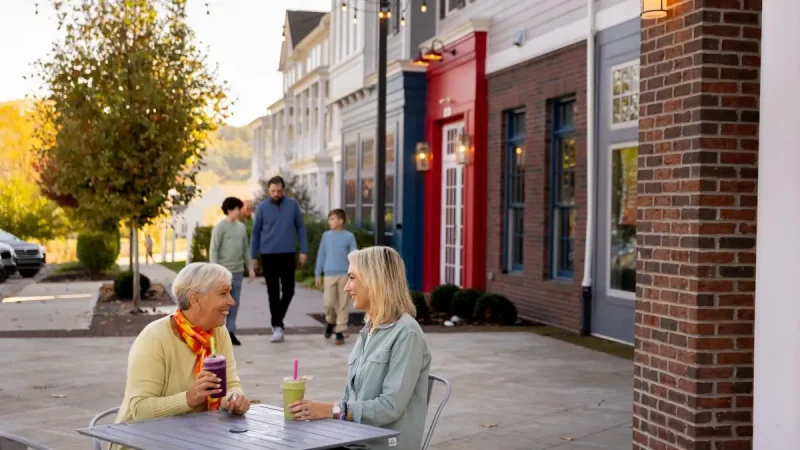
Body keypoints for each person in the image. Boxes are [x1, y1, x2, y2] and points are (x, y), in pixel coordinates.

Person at [289, 246, 432, 450]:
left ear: (375, 281)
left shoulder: (407, 333)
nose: (347, 287)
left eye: (352, 277)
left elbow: (390, 407)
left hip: (383, 445)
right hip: (355, 440)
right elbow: (351, 397)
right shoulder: (369, 330)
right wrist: (325, 414)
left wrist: (333, 410)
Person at [113, 263, 250, 450]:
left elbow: (231, 385)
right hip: (142, 443)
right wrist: (189, 398)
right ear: (195, 299)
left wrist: (234, 398)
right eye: (223, 294)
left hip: (193, 439)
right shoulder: (154, 338)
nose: (232, 301)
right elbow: (139, 409)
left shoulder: (219, 332)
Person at [250, 175, 308, 343]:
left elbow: (301, 228)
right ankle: (277, 325)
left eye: (279, 191)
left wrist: (304, 250)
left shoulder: (292, 205)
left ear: (283, 190)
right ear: (269, 190)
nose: (276, 194)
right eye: (273, 191)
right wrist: (254, 256)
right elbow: (255, 233)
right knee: (273, 292)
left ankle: (277, 320)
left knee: (289, 290)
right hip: (268, 255)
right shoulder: (262, 208)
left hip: (288, 253)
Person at [210, 196, 255, 346]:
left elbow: (245, 249)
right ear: (230, 210)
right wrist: (215, 270)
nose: (240, 212)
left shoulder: (241, 227)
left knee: (234, 303)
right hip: (223, 272)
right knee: (222, 304)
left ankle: (230, 332)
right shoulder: (220, 227)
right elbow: (214, 249)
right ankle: (219, 332)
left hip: (237, 271)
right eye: (237, 209)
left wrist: (250, 268)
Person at [315, 209, 358, 346]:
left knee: (343, 304)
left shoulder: (349, 236)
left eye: (333, 219)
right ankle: (330, 321)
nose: (330, 222)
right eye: (329, 219)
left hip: (344, 275)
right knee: (328, 303)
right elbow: (321, 255)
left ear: (341, 220)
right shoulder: (326, 236)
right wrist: (317, 273)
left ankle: (340, 332)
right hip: (329, 274)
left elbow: (354, 256)